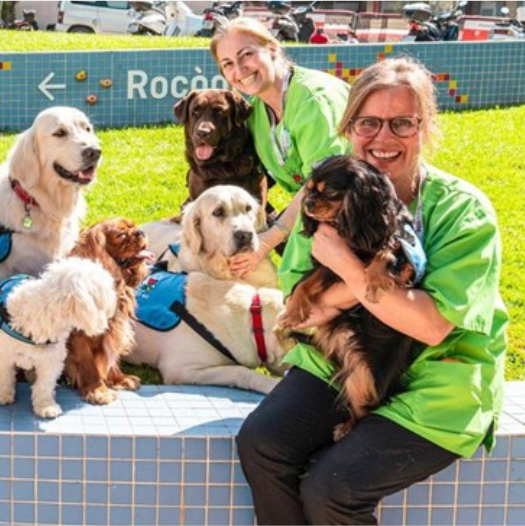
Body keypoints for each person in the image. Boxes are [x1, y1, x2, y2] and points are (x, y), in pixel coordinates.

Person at [236, 57, 508, 524]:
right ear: (348, 126)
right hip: (343, 359)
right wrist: (369, 290)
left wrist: (347, 269)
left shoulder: (464, 212)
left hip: (439, 379)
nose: (382, 139)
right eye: (367, 122)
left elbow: (430, 324)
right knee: (263, 444)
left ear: (426, 128)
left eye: (402, 123)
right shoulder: (324, 195)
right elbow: (304, 313)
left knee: (333, 488)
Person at [210, 18, 350, 278]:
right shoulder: (257, 113)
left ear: (272, 49)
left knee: (304, 286)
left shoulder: (313, 100)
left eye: (247, 55)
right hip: (320, 210)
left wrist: (268, 239)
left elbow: (325, 182)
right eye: (227, 64)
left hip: (359, 209)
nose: (239, 69)